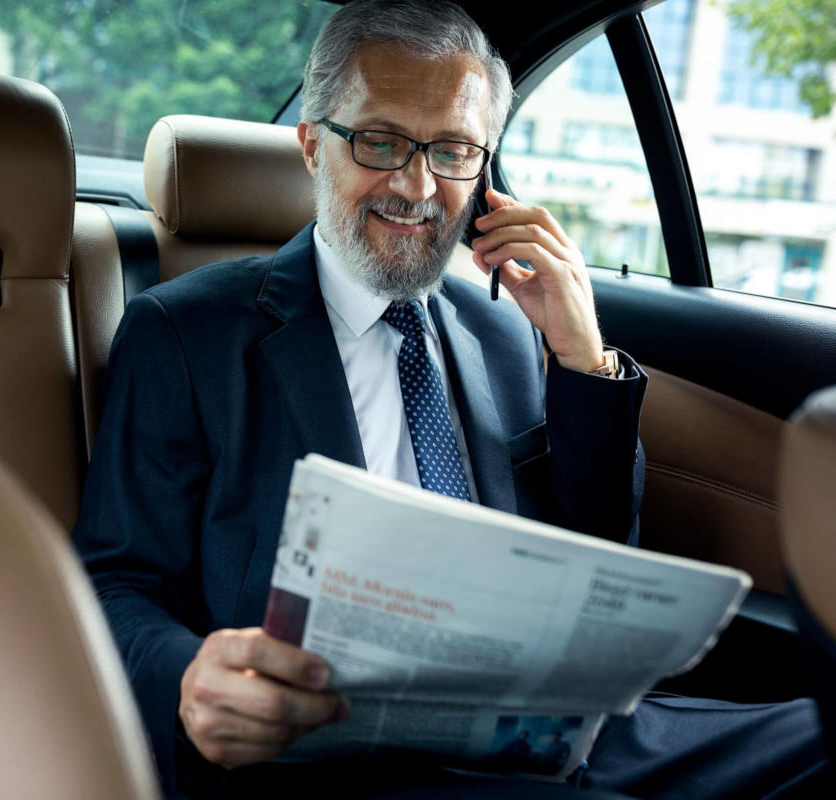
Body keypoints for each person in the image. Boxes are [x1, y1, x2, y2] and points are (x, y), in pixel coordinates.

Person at [74, 1, 825, 797]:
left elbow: (597, 551)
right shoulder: (187, 336)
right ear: (311, 145)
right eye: (380, 141)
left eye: (453, 150)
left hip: (549, 730)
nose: (418, 184)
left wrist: (582, 357)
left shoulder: (501, 329)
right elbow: (115, 586)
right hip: (333, 754)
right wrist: (193, 677)